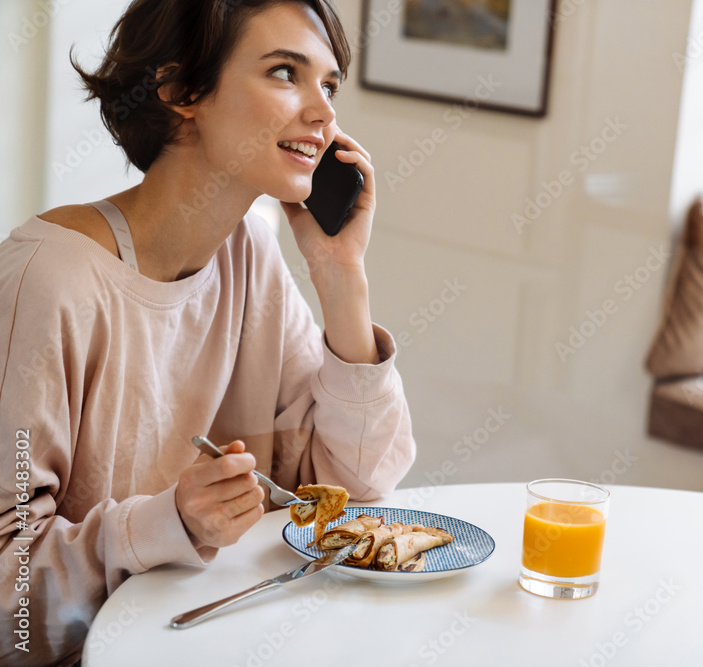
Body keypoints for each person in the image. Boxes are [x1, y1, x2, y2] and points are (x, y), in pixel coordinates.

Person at [0, 0, 416, 664]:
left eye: (329, 85)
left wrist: (341, 275)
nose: (324, 113)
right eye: (286, 72)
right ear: (181, 91)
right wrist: (169, 521)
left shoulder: (250, 249)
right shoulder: (49, 279)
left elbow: (357, 487)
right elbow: (7, 610)